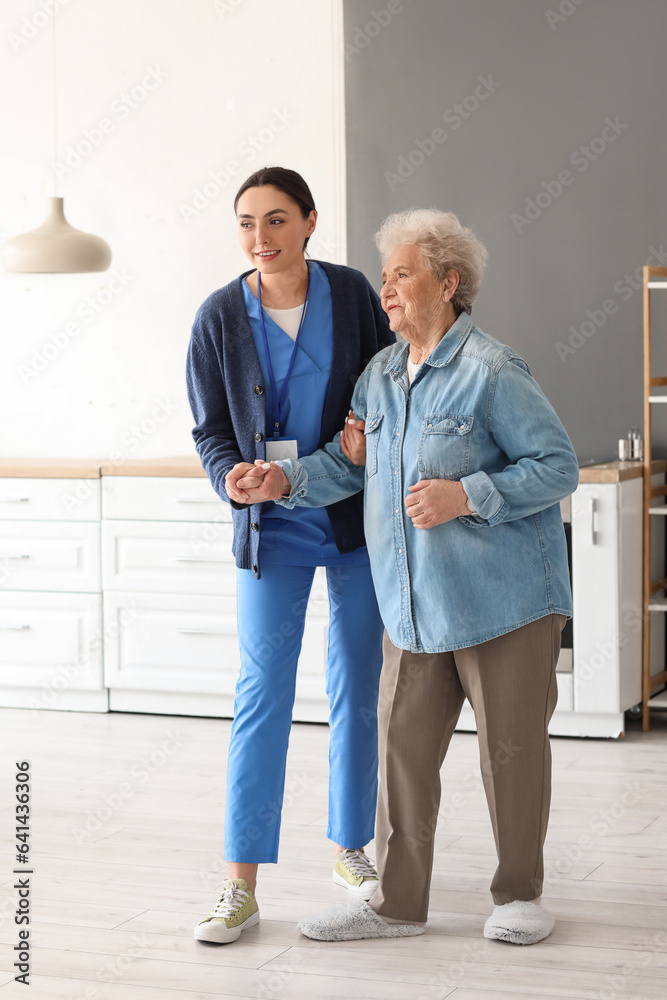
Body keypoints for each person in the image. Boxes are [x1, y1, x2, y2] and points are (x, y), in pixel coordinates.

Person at [227, 208, 579, 945]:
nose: (386, 290)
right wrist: (281, 482)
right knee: (401, 756)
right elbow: (345, 466)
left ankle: (518, 896)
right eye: (383, 277)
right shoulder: (381, 376)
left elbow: (556, 467)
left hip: (504, 603)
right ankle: (395, 904)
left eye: (402, 275)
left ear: (448, 284)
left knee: (507, 753)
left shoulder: (490, 370)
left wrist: (465, 496)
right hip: (413, 607)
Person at [186, 167, 393, 944]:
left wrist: (367, 430)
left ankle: (351, 850)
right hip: (270, 529)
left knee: (357, 689)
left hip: (349, 525)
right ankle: (239, 883)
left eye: (276, 221)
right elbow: (209, 432)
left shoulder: (350, 296)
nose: (260, 238)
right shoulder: (218, 317)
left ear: (308, 221)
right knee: (261, 695)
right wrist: (229, 480)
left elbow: (389, 386)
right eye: (246, 223)